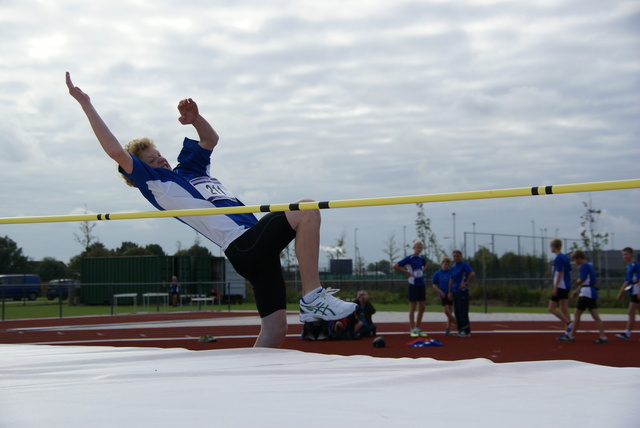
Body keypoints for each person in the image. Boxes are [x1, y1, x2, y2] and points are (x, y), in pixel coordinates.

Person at [66, 72, 356, 348]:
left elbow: (209, 140)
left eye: (160, 155)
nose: (162, 161)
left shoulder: (189, 169)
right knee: (306, 209)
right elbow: (116, 152)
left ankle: (247, 385)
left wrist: (196, 119)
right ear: (141, 171)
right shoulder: (157, 184)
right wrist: (87, 105)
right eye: (153, 160)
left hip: (255, 246)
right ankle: (312, 295)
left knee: (276, 329)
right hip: (242, 244)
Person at [557, 250, 607, 344]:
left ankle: (571, 335)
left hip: (586, 293)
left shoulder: (584, 266)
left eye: (575, 260)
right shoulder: (590, 265)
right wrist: (577, 290)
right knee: (595, 315)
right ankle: (603, 336)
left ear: (579, 258)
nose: (575, 262)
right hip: (590, 292)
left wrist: (575, 282)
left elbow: (582, 280)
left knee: (577, 314)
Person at [393, 240, 428, 337]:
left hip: (421, 283)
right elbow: (395, 266)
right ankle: (412, 329)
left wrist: (422, 270)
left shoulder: (421, 258)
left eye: (420, 247)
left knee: (422, 306)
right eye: (417, 247)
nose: (419, 249)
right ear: (414, 248)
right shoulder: (409, 258)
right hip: (413, 284)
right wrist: (407, 273)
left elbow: (425, 265)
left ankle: (417, 328)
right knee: (413, 305)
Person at [547, 238, 573, 336]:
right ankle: (568, 331)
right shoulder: (565, 257)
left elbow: (559, 273)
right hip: (566, 285)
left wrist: (555, 287)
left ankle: (569, 324)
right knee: (564, 308)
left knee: (551, 308)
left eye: (551, 246)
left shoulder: (558, 258)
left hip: (561, 286)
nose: (550, 248)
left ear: (554, 246)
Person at [448, 250, 475, 337]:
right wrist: (450, 292)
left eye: (457, 256)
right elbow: (451, 279)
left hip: (462, 291)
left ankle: (466, 331)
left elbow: (472, 273)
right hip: (455, 291)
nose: (456, 257)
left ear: (461, 257)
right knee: (457, 312)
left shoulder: (464, 265)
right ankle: (459, 330)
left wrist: (466, 283)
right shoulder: (453, 267)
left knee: (463, 311)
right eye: (454, 256)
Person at [615, 247, 640, 340]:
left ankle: (627, 332)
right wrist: (621, 292)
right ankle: (627, 332)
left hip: (636, 289)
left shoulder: (636, 265)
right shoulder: (629, 266)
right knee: (633, 312)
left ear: (631, 254)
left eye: (626, 254)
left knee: (631, 311)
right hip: (632, 290)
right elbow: (627, 281)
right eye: (623, 254)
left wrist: (639, 291)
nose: (624, 256)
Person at [431, 256, 456, 335]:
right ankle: (457, 323)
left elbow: (453, 282)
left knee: (450, 311)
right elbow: (434, 284)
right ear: (441, 264)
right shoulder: (437, 273)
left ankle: (448, 328)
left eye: (448, 265)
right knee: (446, 311)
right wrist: (440, 292)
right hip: (443, 294)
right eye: (445, 264)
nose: (446, 266)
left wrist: (451, 292)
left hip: (451, 294)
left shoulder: (451, 272)